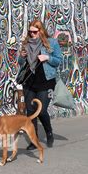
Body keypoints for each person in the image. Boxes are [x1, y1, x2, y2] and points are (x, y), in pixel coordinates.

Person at [18, 19, 63, 149]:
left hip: (46, 82)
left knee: (41, 111)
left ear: (41, 31)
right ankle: (34, 140)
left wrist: (47, 58)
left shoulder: (52, 43)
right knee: (31, 111)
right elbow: (21, 63)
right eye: (30, 32)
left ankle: (49, 132)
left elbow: (58, 60)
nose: (32, 34)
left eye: (35, 32)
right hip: (29, 82)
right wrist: (22, 56)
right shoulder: (26, 44)